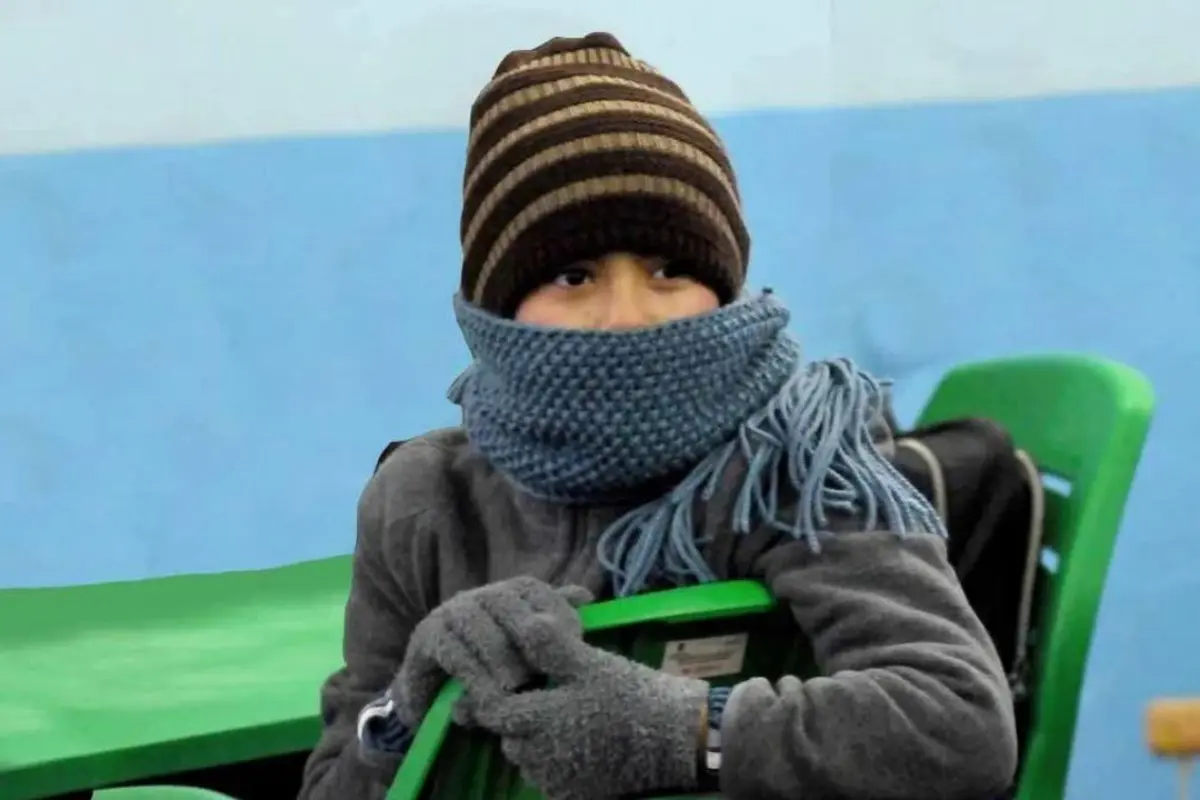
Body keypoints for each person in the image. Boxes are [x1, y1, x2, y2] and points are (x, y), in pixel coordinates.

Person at [298, 32, 1018, 800]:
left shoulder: (797, 466)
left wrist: (685, 733)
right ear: (497, 306)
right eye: (573, 276)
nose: (628, 316)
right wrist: (412, 704)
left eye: (669, 270)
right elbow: (334, 782)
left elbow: (961, 725)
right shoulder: (422, 499)